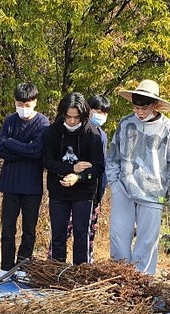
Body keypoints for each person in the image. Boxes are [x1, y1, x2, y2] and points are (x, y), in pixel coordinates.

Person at [107, 79, 170, 275]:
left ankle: (142, 284)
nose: (139, 112)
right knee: (118, 236)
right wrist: (114, 182)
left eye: (144, 107)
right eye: (136, 107)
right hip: (124, 188)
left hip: (153, 191)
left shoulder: (168, 128)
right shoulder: (125, 123)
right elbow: (113, 155)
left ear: (155, 105)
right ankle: (120, 278)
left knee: (147, 241)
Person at [0, 82, 50, 279]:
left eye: (27, 105)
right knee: (8, 227)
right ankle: (5, 267)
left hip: (32, 185)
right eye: (20, 104)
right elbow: (1, 150)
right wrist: (21, 148)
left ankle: (23, 266)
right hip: (10, 183)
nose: (23, 109)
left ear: (35, 102)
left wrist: (12, 144)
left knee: (29, 229)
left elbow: (37, 151)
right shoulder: (9, 121)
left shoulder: (43, 123)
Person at [42, 92, 104, 265]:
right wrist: (71, 168)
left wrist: (79, 177)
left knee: (81, 234)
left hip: (83, 192)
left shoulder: (93, 135)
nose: (71, 121)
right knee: (58, 235)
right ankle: (56, 272)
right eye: (68, 117)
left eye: (76, 118)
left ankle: (80, 272)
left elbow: (98, 167)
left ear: (83, 116)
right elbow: (47, 161)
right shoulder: (52, 132)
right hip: (58, 191)